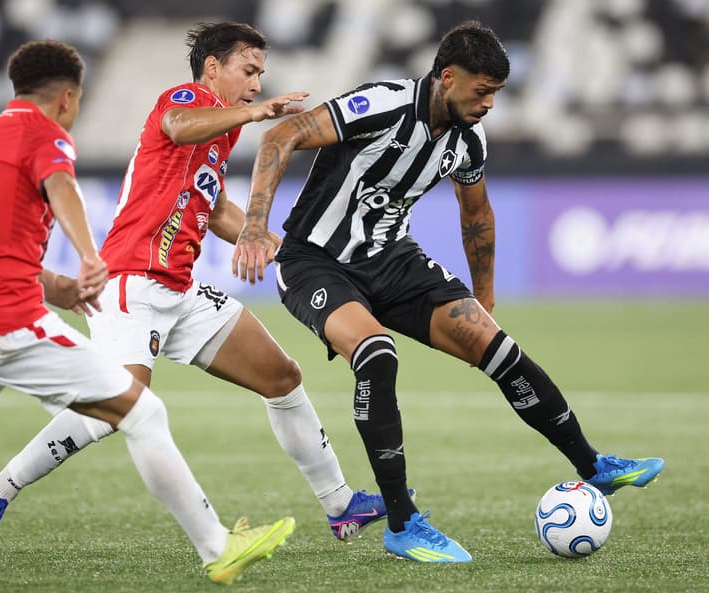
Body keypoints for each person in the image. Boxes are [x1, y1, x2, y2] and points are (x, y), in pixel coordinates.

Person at [0, 39, 295, 586]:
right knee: (143, 412)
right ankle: (218, 548)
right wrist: (90, 257)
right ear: (67, 98)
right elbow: (61, 187)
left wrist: (58, 285)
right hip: (3, 317)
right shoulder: (45, 135)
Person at [232, 20, 664, 563]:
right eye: (481, 91)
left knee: (499, 349)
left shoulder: (466, 141)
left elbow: (476, 215)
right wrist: (254, 225)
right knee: (375, 355)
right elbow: (280, 135)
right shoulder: (383, 104)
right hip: (315, 262)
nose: (488, 105)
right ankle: (401, 522)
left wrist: (482, 300)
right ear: (448, 76)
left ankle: (592, 466)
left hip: (394, 260)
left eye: (496, 95)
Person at [0, 21, 390, 556]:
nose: (257, 85)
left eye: (261, 76)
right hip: (130, 283)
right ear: (213, 67)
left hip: (178, 290)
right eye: (249, 70)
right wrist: (253, 113)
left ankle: (340, 505)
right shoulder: (189, 100)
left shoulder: (222, 131)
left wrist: (281, 246)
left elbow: (212, 209)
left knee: (282, 376)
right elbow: (177, 123)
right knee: (114, 411)